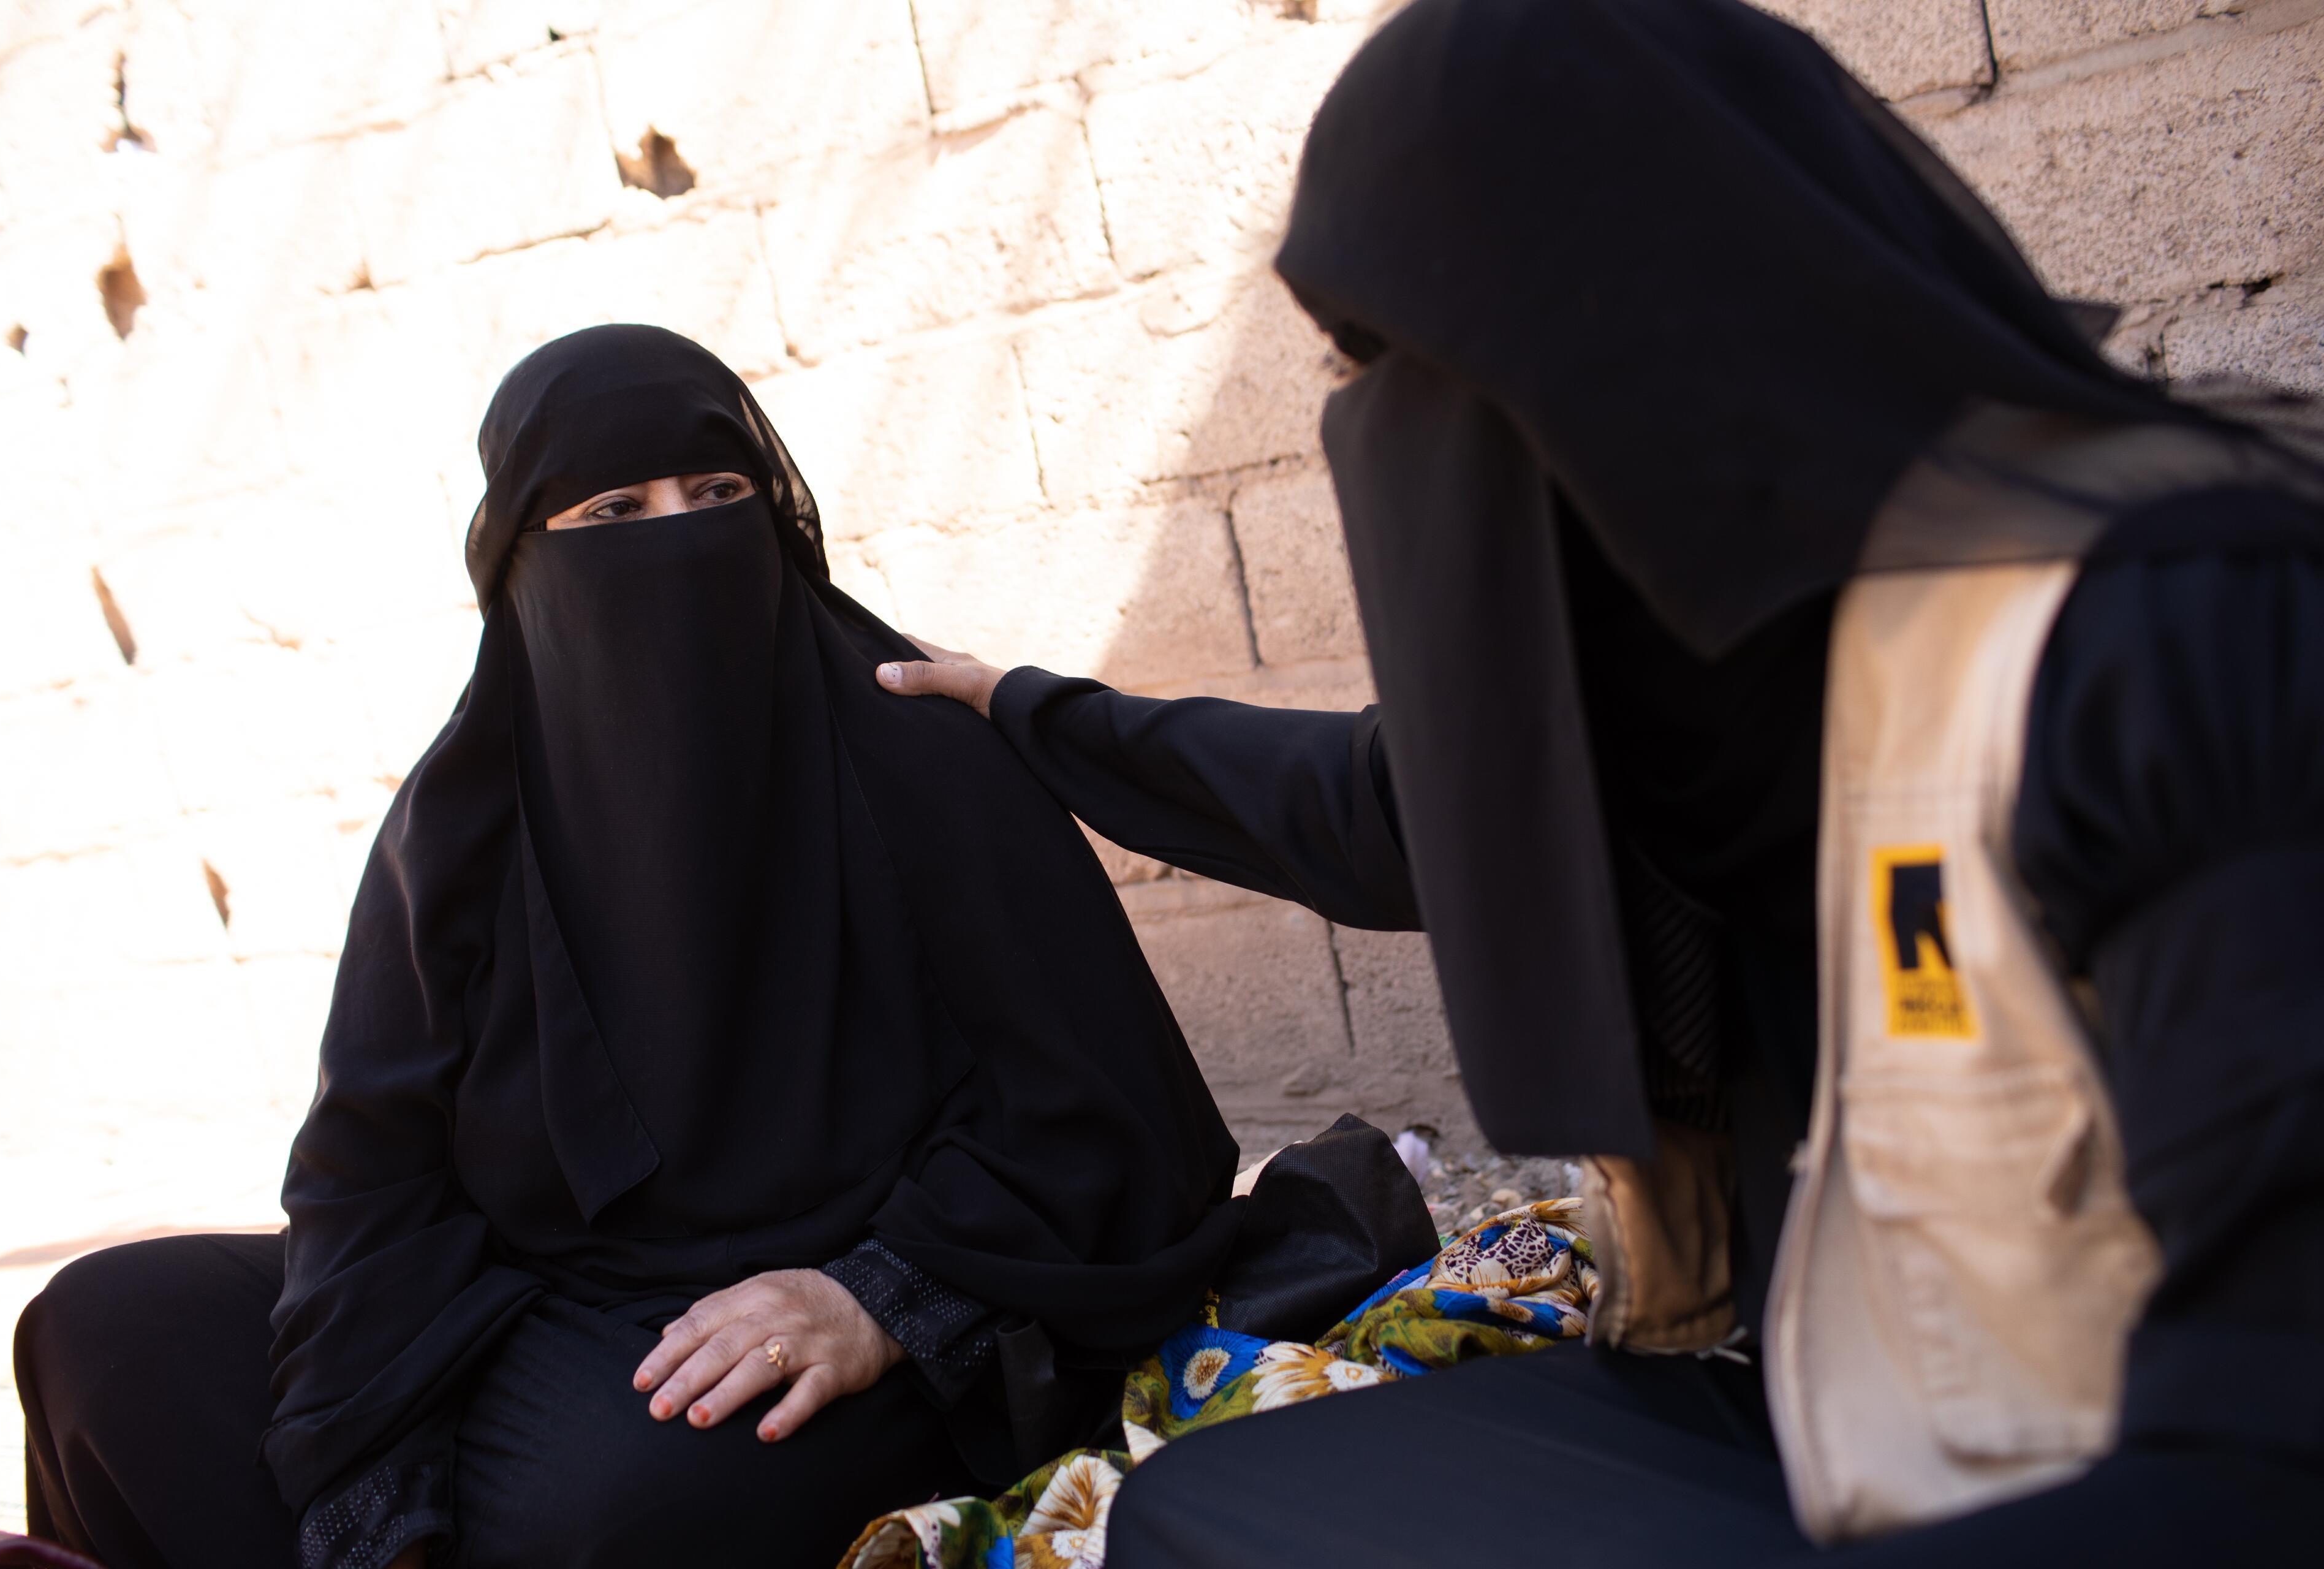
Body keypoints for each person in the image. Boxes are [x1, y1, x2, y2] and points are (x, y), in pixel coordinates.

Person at [874, 0, 2324, 1561]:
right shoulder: (1693, 682)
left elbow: (2272, 1427)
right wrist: (1032, 712)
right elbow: (1372, 806)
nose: (1377, 431)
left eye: (1390, 359)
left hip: (2092, 1467)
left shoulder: (2174, 633)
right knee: (1203, 1511)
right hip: (1820, 1402)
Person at [15, 325, 1245, 1569]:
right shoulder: (465, 822)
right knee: (104, 1331)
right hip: (522, 1298)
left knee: (608, 1509)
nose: (680, 539)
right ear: (523, 565)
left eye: (719, 496)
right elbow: (367, 1170)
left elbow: (1115, 1115)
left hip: (819, 1318)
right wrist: (370, 1454)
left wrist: (879, 1297)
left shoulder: (919, 755)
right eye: (615, 509)